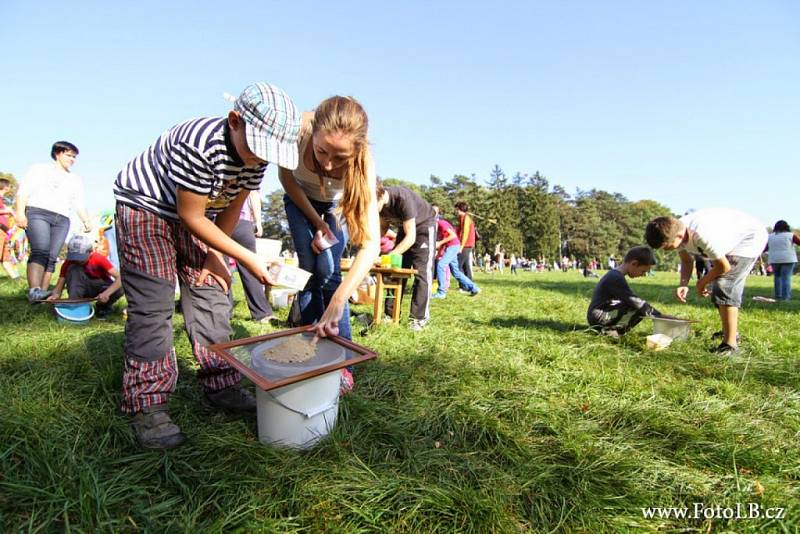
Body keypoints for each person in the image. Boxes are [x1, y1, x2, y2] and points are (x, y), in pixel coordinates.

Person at [112, 82, 300, 449]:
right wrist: (247, 257)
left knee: (213, 293)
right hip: (147, 209)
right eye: (257, 149)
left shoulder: (254, 160)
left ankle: (221, 383)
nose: (260, 159)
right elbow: (190, 214)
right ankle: (147, 403)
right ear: (234, 121)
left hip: (202, 214)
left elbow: (231, 206)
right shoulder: (199, 145)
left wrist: (217, 257)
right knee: (154, 304)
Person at [278, 95, 381, 350]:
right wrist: (316, 222)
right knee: (310, 269)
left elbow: (371, 246)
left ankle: (342, 356)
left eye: (340, 157)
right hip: (300, 199)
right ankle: (307, 348)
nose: (327, 163)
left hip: (335, 206)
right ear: (312, 134)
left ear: (356, 151)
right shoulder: (297, 130)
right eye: (322, 151)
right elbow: (287, 180)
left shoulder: (363, 162)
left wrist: (337, 302)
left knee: (331, 272)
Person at [645, 208, 768, 355]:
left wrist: (701, 282)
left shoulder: (702, 235)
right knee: (719, 288)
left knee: (725, 285)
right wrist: (683, 284)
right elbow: (687, 261)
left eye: (667, 247)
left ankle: (730, 345)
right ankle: (729, 332)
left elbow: (724, 267)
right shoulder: (674, 231)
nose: (665, 251)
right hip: (729, 235)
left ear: (678, 236)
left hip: (750, 238)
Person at [15, 141, 93, 302]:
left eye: (74, 157)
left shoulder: (75, 179)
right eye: (68, 155)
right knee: (40, 250)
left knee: (52, 256)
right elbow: (23, 192)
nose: (72, 159)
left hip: (62, 218)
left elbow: (78, 202)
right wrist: (20, 213)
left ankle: (43, 294)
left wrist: (86, 221)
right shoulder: (39, 169)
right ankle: (34, 290)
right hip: (38, 212)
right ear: (57, 154)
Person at [377, 183, 436, 331]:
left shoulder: (402, 198)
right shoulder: (379, 205)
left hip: (423, 228)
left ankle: (418, 318)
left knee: (421, 273)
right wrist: (371, 251)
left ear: (381, 195)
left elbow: (411, 238)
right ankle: (390, 315)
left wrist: (390, 255)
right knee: (395, 271)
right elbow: (382, 229)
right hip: (405, 229)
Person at [587, 246, 664, 336]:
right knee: (638, 308)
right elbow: (635, 302)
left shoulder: (615, 274)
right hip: (599, 316)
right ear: (634, 264)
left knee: (638, 307)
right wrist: (659, 316)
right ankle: (612, 333)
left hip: (600, 314)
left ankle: (612, 331)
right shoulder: (615, 277)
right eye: (643, 271)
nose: (643, 275)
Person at [45, 234, 123, 317]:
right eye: (74, 257)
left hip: (100, 288)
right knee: (74, 269)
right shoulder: (69, 263)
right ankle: (75, 305)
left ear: (91, 252)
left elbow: (120, 278)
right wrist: (55, 296)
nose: (78, 260)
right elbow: (59, 287)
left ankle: (103, 307)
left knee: (121, 288)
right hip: (81, 288)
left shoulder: (98, 259)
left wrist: (107, 293)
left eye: (81, 257)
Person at [229, 190, 275, 322]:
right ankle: (263, 314)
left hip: (226, 220)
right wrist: (258, 222)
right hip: (242, 220)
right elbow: (254, 194)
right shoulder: (249, 173)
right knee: (251, 268)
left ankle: (223, 313)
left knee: (223, 265)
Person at [432, 215, 479, 299]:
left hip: (453, 246)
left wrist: (440, 243)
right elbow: (442, 243)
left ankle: (441, 292)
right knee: (456, 272)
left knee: (441, 265)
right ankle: (474, 288)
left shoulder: (441, 223)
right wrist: (438, 255)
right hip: (451, 246)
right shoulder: (438, 228)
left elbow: (453, 235)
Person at [766, 220, 799, 301]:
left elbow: (766, 248)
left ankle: (778, 295)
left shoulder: (770, 236)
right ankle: (786, 297)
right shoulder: (790, 235)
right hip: (788, 259)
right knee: (786, 278)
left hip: (774, 259)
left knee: (777, 277)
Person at [0, 178, 20, 279]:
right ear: (5, 187)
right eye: (9, 186)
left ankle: (16, 278)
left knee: (5, 258)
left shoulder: (2, 200)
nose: (10, 188)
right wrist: (8, 210)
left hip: (3, 231)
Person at [455, 202, 477, 290]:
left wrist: (461, 246)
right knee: (465, 266)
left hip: (466, 244)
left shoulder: (466, 218)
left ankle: (463, 286)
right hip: (467, 244)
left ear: (460, 209)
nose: (455, 211)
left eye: (456, 209)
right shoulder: (462, 218)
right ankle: (469, 285)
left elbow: (465, 233)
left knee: (458, 265)